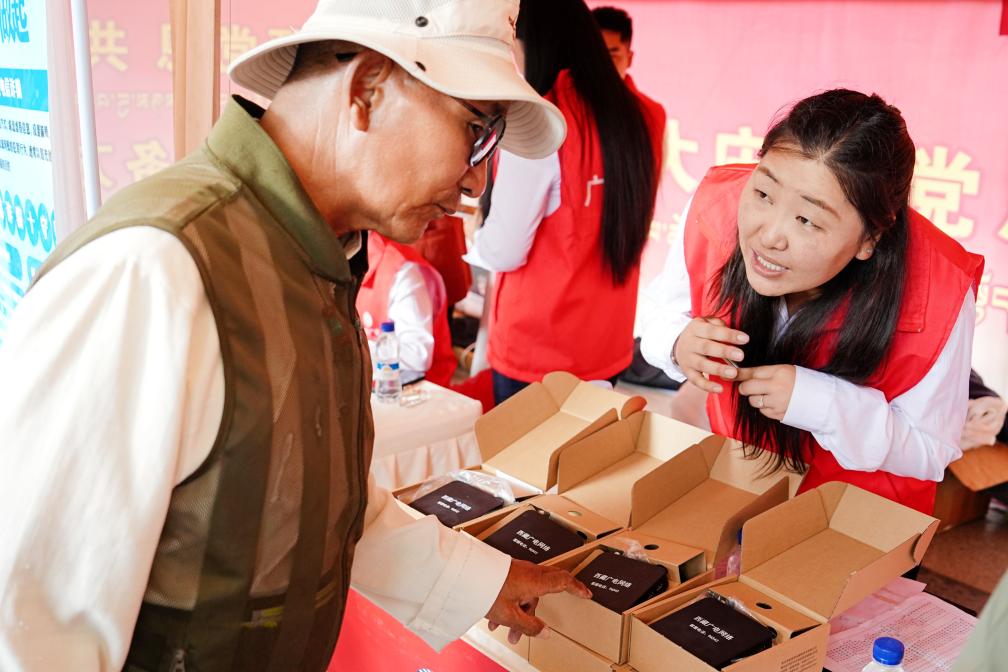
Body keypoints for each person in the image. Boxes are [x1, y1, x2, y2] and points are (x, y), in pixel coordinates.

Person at [0, 1, 592, 670]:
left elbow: (314, 511)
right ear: (366, 89)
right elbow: (31, 628)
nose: (478, 179)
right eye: (475, 130)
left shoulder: (314, 261)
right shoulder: (154, 269)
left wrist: (483, 583)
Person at [641, 89, 983, 515]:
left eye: (807, 220)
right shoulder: (717, 203)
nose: (769, 235)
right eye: (763, 194)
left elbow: (931, 450)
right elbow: (658, 311)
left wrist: (821, 404)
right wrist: (677, 341)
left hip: (855, 523)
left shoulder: (941, 287)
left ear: (871, 237)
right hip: (739, 486)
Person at [466, 0, 663, 404]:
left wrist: (475, 236)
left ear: (533, 45)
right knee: (591, 446)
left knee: (523, 447)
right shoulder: (646, 115)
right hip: (608, 342)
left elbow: (504, 250)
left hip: (538, 350)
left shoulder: (541, 120)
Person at [356, 231, 457, 386]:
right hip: (368, 378)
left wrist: (353, 347)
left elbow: (418, 354)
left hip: (413, 389)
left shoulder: (403, 272)